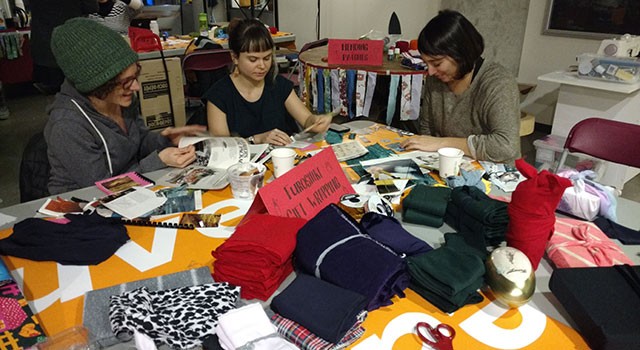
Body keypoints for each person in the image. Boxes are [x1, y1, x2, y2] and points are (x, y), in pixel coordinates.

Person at [44, 18, 205, 195]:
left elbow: (138, 142)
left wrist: (165, 139)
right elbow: (103, 188)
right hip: (85, 205)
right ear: (98, 85)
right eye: (126, 82)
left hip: (134, 191)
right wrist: (158, 161)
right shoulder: (67, 125)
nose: (136, 87)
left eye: (135, 75)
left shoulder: (121, 99)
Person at [400, 10, 520, 164]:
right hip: (448, 166)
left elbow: (505, 146)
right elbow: (427, 131)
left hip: (494, 175)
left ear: (460, 54)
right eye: (426, 63)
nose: (430, 71)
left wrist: (442, 144)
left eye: (436, 63)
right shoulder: (435, 80)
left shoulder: (497, 82)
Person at [204, 18, 332, 146]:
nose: (262, 66)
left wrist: (315, 121)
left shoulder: (278, 85)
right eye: (253, 59)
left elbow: (307, 120)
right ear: (235, 58)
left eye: (267, 58)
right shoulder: (219, 95)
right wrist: (256, 139)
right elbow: (222, 147)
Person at [30, 0, 99, 95]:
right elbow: (92, 7)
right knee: (76, 85)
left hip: (44, 42)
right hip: (70, 38)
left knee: (52, 86)